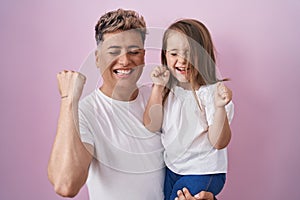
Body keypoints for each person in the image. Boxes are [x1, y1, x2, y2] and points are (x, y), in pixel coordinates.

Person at [47, 9, 216, 200]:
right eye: (113, 51)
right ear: (97, 58)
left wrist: (205, 196)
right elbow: (65, 185)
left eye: (134, 52)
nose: (125, 61)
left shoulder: (161, 97)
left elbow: (197, 156)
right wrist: (68, 100)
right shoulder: (85, 112)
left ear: (143, 56)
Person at [143, 19, 234, 200]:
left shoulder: (211, 94)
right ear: (165, 55)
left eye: (190, 53)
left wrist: (219, 108)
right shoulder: (168, 90)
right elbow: (151, 125)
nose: (182, 60)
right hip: (173, 169)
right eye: (174, 53)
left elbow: (219, 142)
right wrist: (158, 88)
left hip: (203, 171)